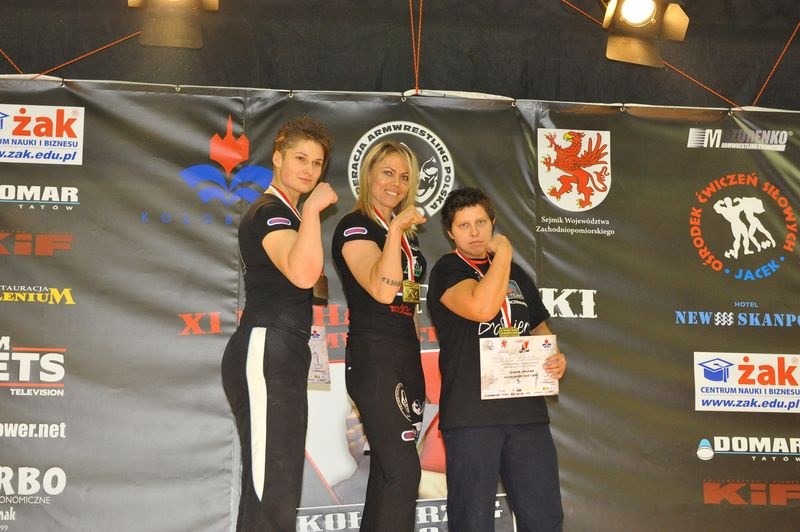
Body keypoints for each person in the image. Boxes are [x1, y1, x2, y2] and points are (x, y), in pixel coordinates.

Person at [221, 116, 338, 532]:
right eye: (300, 158)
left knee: (277, 485)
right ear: (277, 158)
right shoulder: (271, 211)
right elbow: (303, 274)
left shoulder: (289, 214)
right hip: (265, 347)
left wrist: (306, 215)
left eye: (317, 162)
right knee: (272, 487)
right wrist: (313, 210)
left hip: (282, 350)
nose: (309, 169)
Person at [426, 186, 567, 532]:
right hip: (473, 416)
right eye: (464, 225)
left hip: (526, 413)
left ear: (492, 222)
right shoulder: (448, 269)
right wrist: (503, 253)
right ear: (450, 232)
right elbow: (482, 308)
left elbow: (539, 325)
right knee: (473, 521)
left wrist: (553, 355)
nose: (475, 232)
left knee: (545, 518)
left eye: (481, 223)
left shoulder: (515, 274)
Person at [331, 140, 427, 531]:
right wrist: (396, 230)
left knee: (388, 475)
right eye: (387, 173)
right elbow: (383, 290)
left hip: (405, 357)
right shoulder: (355, 226)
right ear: (368, 173)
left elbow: (409, 303)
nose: (396, 184)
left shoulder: (406, 237)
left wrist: (416, 363)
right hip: (374, 358)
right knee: (404, 473)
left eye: (404, 177)